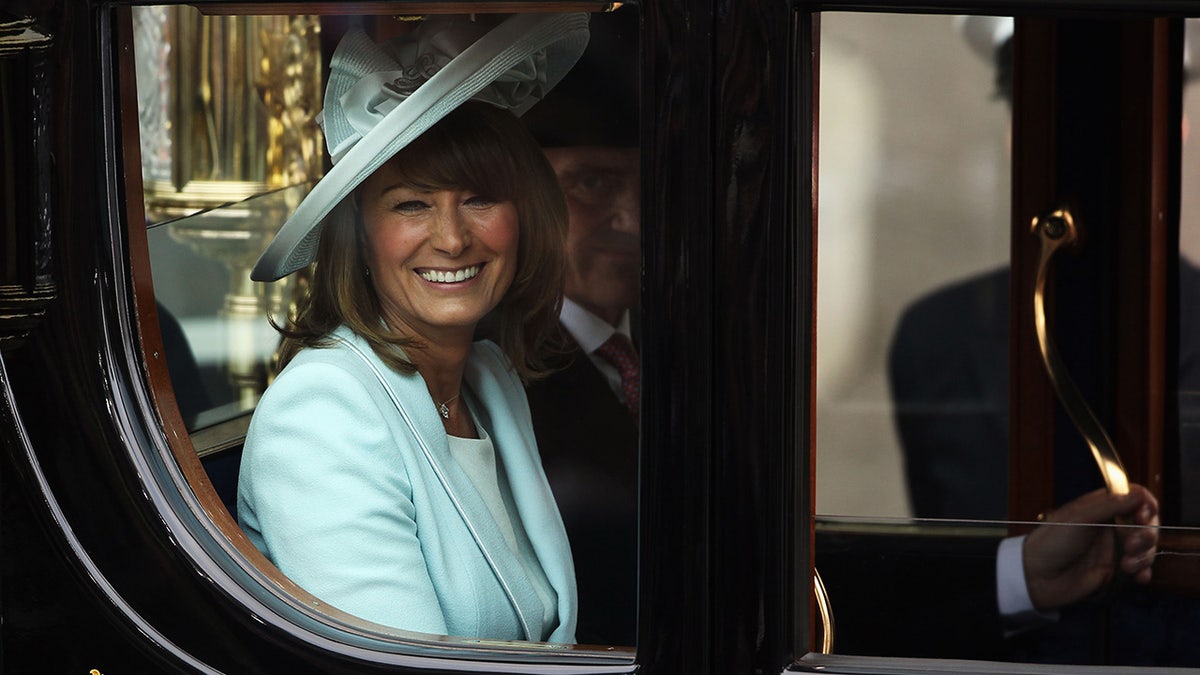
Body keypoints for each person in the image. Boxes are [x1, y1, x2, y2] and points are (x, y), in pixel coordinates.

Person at [235, 13, 590, 642]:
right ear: (358, 237)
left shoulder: (487, 381)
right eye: (412, 204)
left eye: (479, 198)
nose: (453, 240)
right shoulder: (322, 413)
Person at [518, 9, 640, 646]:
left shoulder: (691, 344)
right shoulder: (495, 361)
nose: (633, 218)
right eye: (594, 183)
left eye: (653, 185)